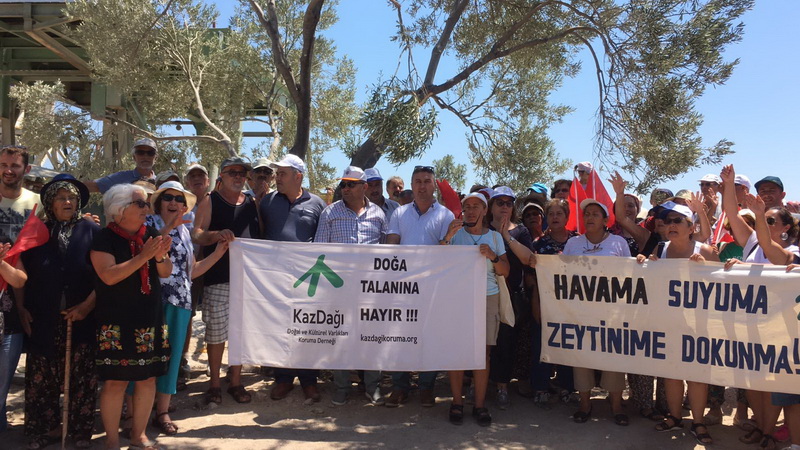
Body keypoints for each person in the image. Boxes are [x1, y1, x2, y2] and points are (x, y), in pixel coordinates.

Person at [10, 175, 98, 449]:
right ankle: (44, 429)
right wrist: (21, 308)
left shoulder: (91, 230)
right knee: (41, 378)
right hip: (42, 317)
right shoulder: (36, 231)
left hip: (82, 317)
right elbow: (21, 269)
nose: (68, 202)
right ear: (50, 202)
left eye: (72, 197)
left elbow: (103, 276)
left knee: (82, 377)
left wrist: (87, 306)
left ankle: (79, 431)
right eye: (61, 197)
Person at [721, 165, 799, 449]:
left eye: (770, 219)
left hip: (779, 326)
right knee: (754, 380)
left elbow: (770, 247)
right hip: (749, 320)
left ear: (786, 228)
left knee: (774, 382)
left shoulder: (793, 251)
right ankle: (761, 426)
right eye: (761, 220)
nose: (762, 223)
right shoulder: (753, 242)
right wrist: (729, 185)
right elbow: (731, 213)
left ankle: (768, 431)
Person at [90, 183, 173, 450]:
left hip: (149, 318)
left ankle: (139, 435)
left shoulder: (150, 233)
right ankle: (112, 441)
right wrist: (144, 256)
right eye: (140, 203)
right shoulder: (104, 238)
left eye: (146, 203)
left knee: (148, 378)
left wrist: (158, 257)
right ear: (120, 209)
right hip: (116, 320)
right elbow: (109, 276)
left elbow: (165, 272)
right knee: (116, 381)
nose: (146, 208)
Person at [144, 181, 228, 435]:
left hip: (180, 301)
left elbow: (192, 271)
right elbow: (150, 250)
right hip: (151, 300)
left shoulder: (185, 232)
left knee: (172, 357)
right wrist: (170, 226)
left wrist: (218, 253)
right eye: (168, 198)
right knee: (146, 356)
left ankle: (162, 411)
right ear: (158, 203)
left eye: (179, 199)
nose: (174, 203)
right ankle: (136, 411)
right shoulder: (148, 224)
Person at [637, 202, 719, 445]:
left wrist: (704, 270)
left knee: (696, 376)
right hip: (669, 323)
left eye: (677, 221)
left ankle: (698, 422)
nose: (670, 225)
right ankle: (674, 417)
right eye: (668, 221)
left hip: (699, 325)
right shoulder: (660, 249)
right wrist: (644, 263)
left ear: (691, 227)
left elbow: (723, 287)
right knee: (672, 374)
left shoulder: (706, 251)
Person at [314, 166, 387, 406]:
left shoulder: (378, 214)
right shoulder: (330, 213)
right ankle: (342, 386)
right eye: (343, 184)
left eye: (350, 184)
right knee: (340, 337)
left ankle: (372, 386)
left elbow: (387, 252)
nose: (345, 188)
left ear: (364, 187)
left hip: (371, 289)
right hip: (338, 288)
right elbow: (320, 250)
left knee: (372, 337)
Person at [192, 156, 260, 406]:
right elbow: (197, 234)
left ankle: (235, 382)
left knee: (241, 333)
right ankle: (213, 385)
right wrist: (216, 235)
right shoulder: (211, 200)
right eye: (233, 172)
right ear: (222, 175)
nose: (238, 177)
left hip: (247, 280)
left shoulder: (251, 202)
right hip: (218, 277)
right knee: (216, 332)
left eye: (242, 173)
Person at [385, 165, 454, 408]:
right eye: (417, 181)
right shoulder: (399, 213)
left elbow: (448, 252)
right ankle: (399, 386)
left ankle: (426, 387)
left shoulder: (446, 216)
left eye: (426, 181)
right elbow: (392, 245)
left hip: (432, 287)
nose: (422, 186)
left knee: (429, 337)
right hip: (401, 287)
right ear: (411, 185)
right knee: (398, 336)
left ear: (434, 185)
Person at [260, 154, 327, 402]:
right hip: (275, 278)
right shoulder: (267, 202)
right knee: (281, 328)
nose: (277, 178)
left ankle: (309, 381)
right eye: (277, 173)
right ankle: (284, 379)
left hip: (307, 279)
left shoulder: (317, 204)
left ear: (298, 176)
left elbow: (323, 241)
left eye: (282, 174)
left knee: (306, 328)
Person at [441, 192, 509, 426]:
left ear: (484, 210)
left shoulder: (495, 237)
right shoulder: (455, 234)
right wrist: (446, 238)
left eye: (476, 206)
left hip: (488, 297)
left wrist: (492, 256)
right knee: (457, 352)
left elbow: (505, 271)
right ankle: (457, 402)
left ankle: (480, 405)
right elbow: (437, 262)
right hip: (458, 299)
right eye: (467, 207)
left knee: (483, 353)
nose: (470, 211)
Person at [563, 199, 630, 426]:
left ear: (605, 220)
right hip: (581, 312)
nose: (589, 217)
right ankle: (585, 404)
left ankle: (616, 405)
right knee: (581, 357)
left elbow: (630, 275)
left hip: (613, 312)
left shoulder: (619, 243)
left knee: (614, 357)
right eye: (587, 214)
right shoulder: (573, 243)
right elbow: (562, 273)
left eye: (595, 214)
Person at [0, 144, 42, 434]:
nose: (8, 170)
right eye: (4, 164)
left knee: (9, 364)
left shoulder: (37, 202)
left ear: (25, 169)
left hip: (24, 288)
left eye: (15, 165)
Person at [487, 186, 536, 410]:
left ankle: (502, 387)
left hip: (512, 296)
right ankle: (478, 384)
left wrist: (506, 236)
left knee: (505, 343)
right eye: (500, 202)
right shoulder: (481, 229)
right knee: (484, 341)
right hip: (485, 294)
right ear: (491, 206)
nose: (504, 207)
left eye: (509, 203)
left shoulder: (521, 232)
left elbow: (529, 259)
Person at [530, 198, 578, 405]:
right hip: (545, 301)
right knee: (542, 345)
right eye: (551, 214)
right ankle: (541, 388)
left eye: (559, 213)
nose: (555, 217)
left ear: (567, 217)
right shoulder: (538, 244)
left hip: (573, 304)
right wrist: (536, 305)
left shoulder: (578, 241)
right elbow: (533, 280)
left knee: (569, 344)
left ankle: (567, 387)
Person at [84, 138, 158, 193]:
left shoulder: (160, 182)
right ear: (134, 157)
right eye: (140, 152)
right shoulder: (121, 178)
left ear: (156, 158)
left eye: (150, 153)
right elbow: (92, 186)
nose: (145, 156)